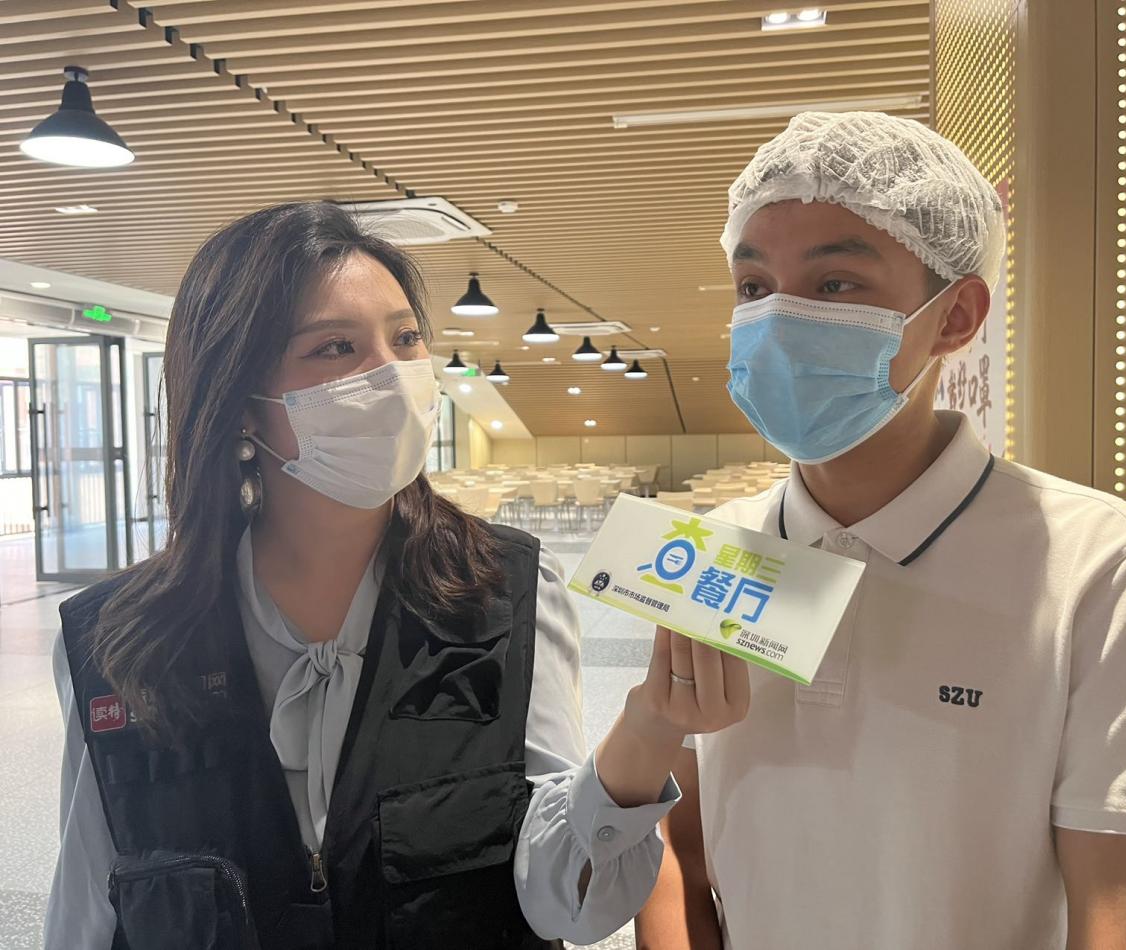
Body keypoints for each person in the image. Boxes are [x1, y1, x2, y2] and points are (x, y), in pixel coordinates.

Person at [45, 201, 748, 949]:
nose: (392, 374)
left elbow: (563, 900)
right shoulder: (118, 640)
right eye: (335, 347)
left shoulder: (506, 591)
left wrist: (649, 729)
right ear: (240, 404)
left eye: (406, 339)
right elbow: (89, 902)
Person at [635, 111, 1126, 950]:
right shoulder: (718, 549)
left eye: (834, 284)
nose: (778, 320)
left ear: (955, 317)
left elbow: (1123, 913)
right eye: (753, 287)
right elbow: (675, 841)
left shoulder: (1100, 566)